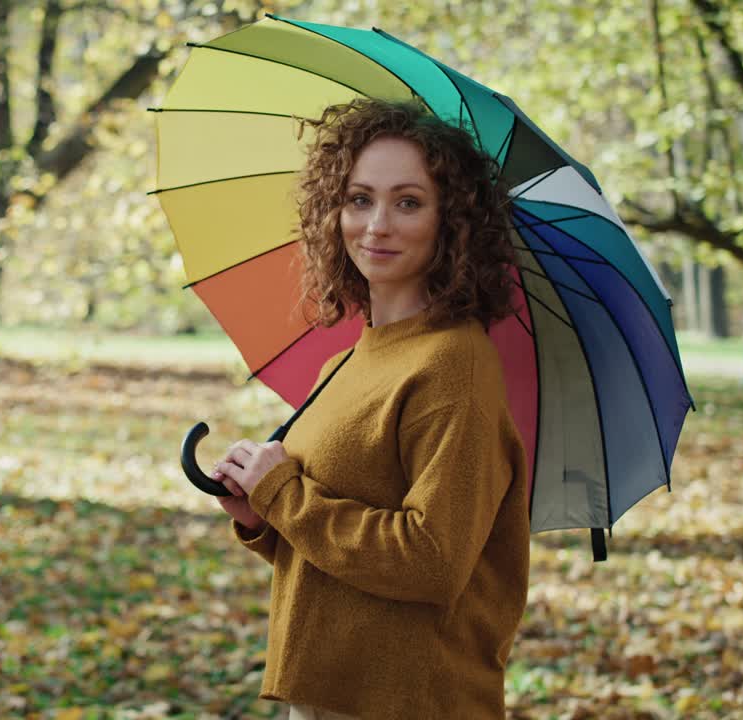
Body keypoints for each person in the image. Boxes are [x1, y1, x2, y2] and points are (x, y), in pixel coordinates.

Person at [209, 97, 531, 720]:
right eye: (359, 199)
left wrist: (287, 496)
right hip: (328, 693)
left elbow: (431, 561)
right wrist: (260, 516)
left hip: (411, 702)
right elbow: (335, 549)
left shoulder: (452, 366)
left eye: (408, 202)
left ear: (452, 222)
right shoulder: (346, 362)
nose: (376, 224)